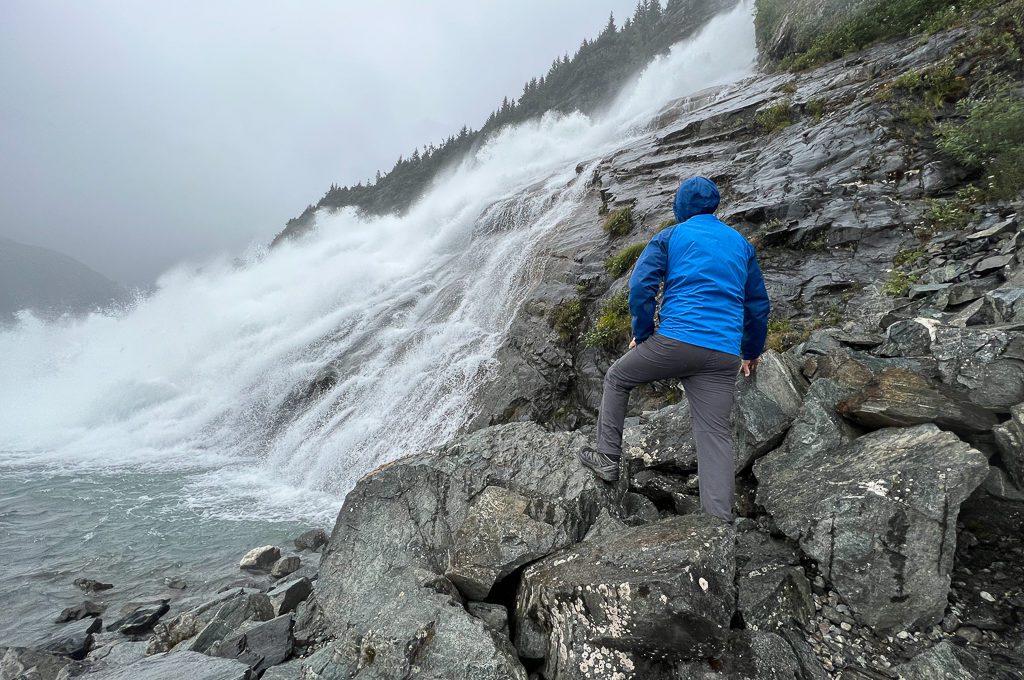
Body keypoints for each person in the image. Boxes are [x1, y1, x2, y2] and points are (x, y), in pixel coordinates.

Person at [578, 176, 770, 523]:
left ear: (680, 206)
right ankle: (718, 523)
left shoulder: (670, 236)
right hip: (724, 354)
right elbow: (757, 305)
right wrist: (750, 351)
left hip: (676, 341)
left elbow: (640, 286)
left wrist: (644, 331)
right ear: (715, 206)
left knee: (617, 378)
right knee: (714, 434)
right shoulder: (741, 244)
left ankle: (607, 459)